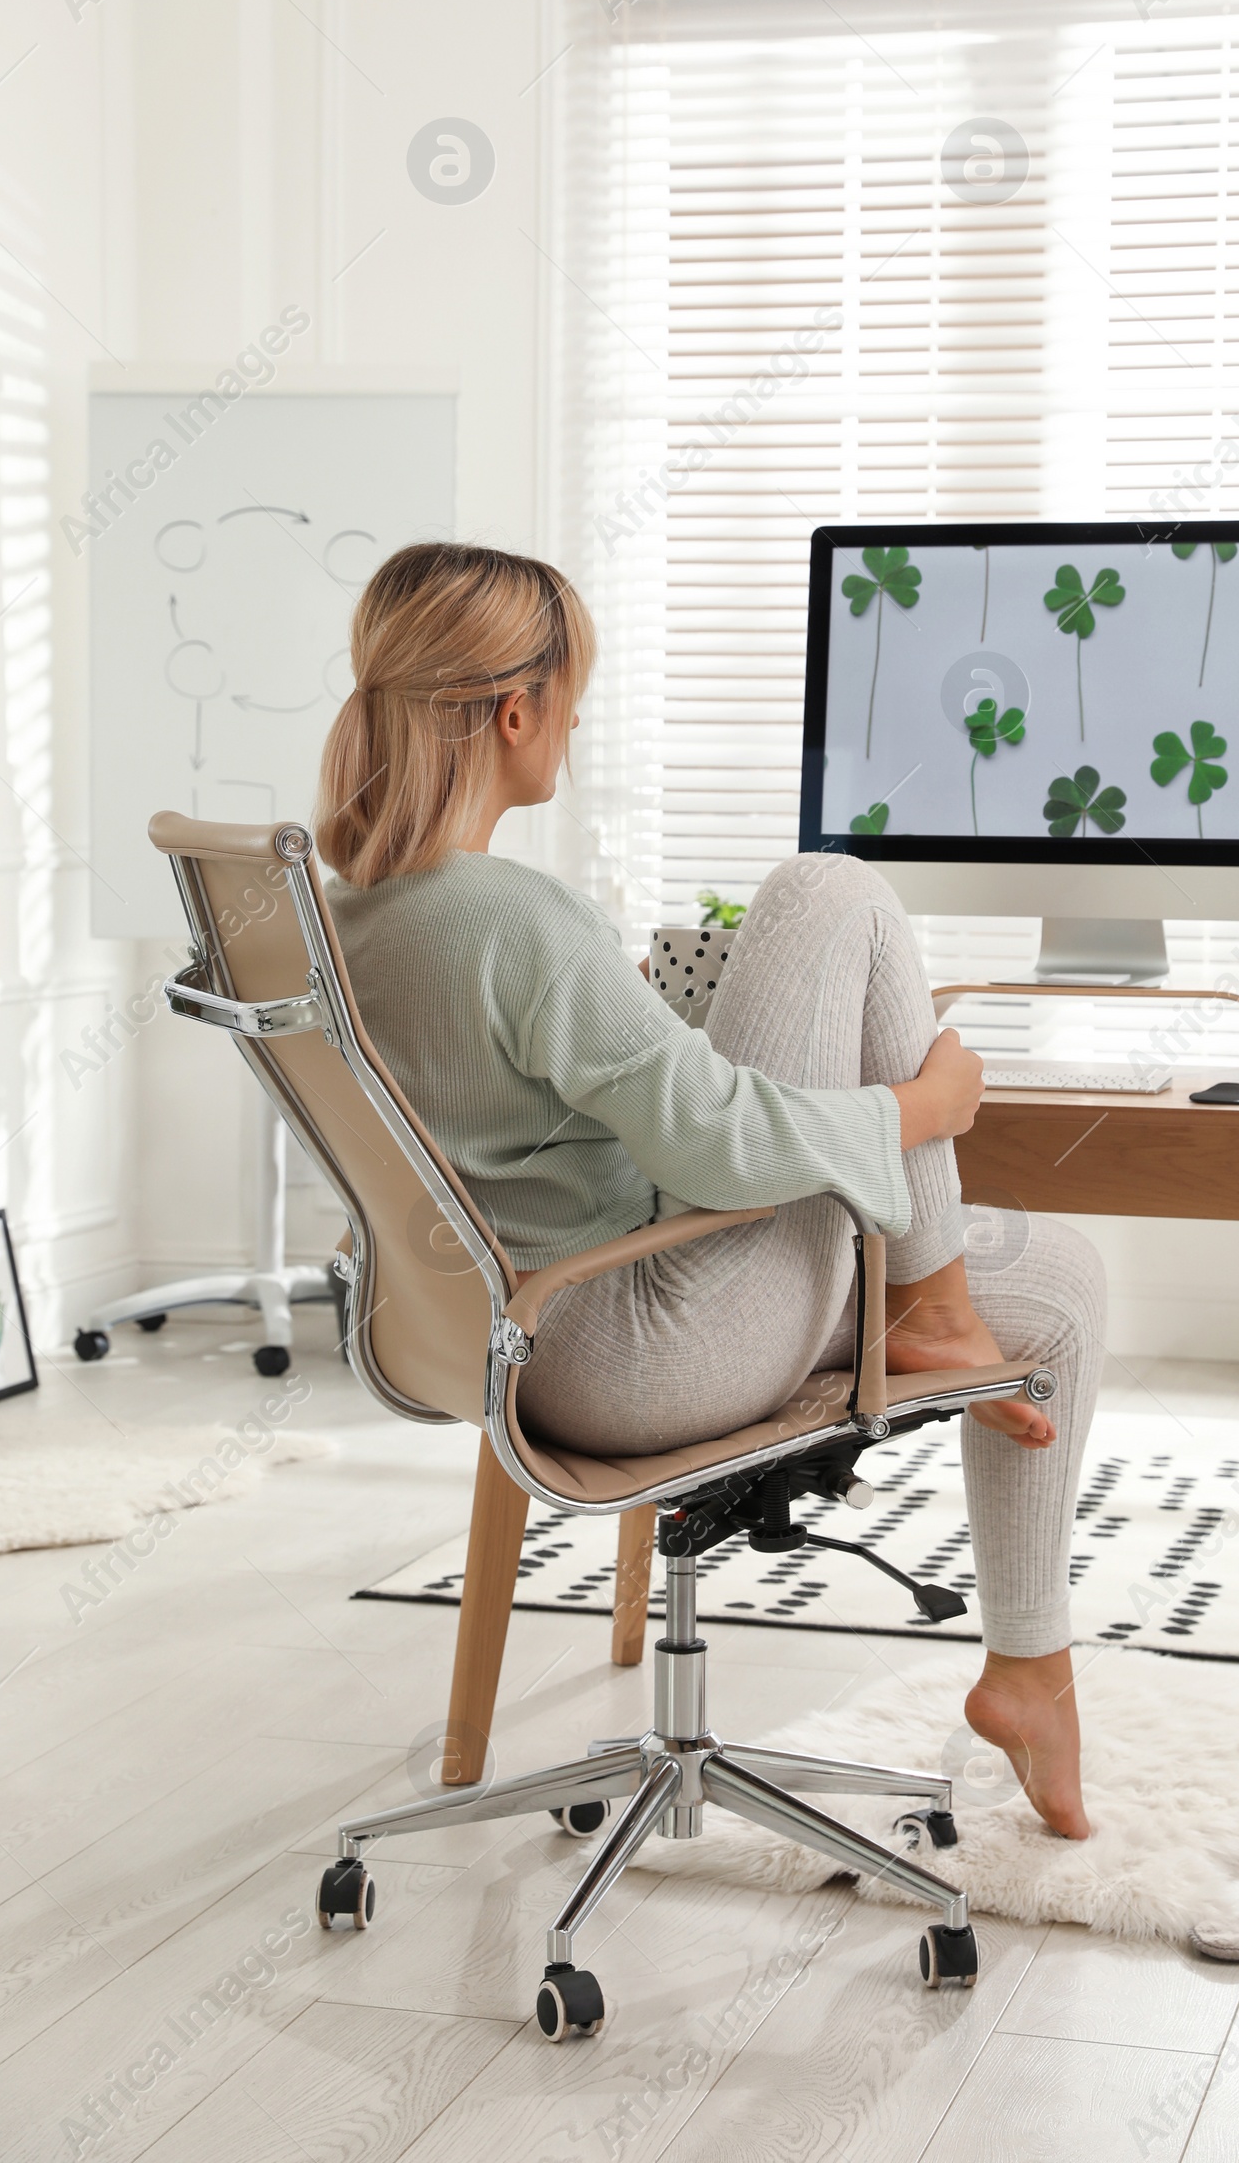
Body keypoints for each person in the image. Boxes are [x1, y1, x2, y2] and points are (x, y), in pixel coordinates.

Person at [317, 541, 1105, 1839]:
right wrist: (923, 1110)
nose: (574, 722)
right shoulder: (514, 920)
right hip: (640, 1353)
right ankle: (939, 1302)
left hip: (511, 1343)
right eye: (573, 694)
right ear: (518, 712)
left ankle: (1032, 1669)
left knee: (1064, 1290)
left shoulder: (354, 920)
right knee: (829, 886)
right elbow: (720, 1152)